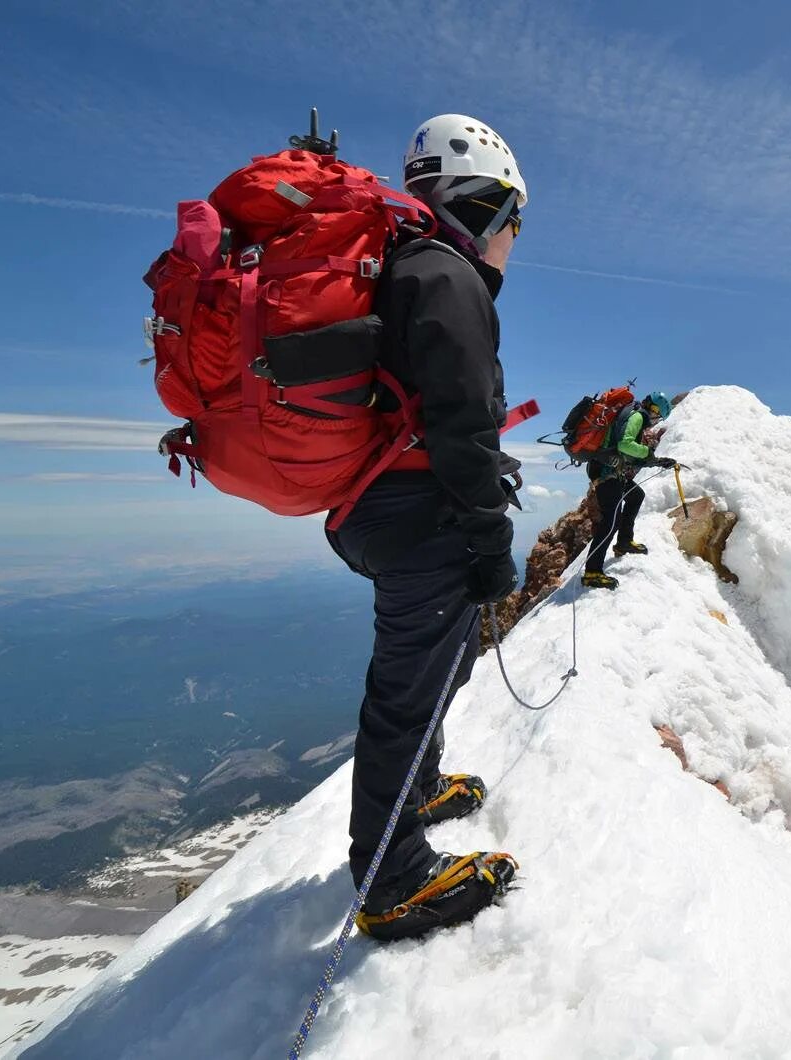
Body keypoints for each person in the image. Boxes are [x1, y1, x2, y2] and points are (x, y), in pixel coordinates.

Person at [323, 113, 526, 941]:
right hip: (421, 515)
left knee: (437, 664)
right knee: (405, 694)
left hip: (375, 507)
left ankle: (419, 788)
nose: (516, 238)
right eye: (514, 218)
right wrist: (490, 541)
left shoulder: (405, 268)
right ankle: (392, 880)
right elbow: (463, 425)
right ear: (483, 206)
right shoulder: (447, 278)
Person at [581, 392, 676, 590]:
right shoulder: (638, 416)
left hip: (611, 471)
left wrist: (657, 462)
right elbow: (625, 445)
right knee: (611, 520)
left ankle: (624, 541)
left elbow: (629, 453)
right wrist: (648, 453)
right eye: (657, 414)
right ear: (653, 409)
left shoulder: (632, 415)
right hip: (608, 473)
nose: (656, 419)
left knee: (636, 496)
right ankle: (592, 571)